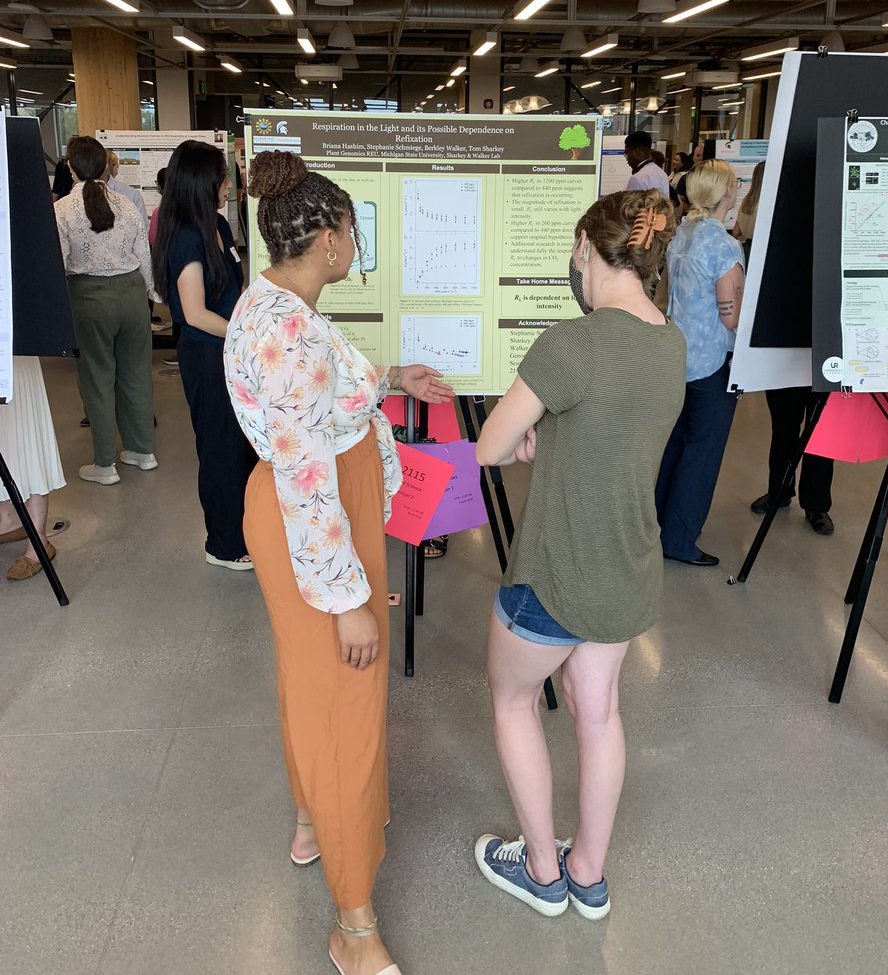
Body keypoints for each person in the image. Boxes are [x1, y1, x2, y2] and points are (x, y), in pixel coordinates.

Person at [224, 150, 452, 975]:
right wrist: (348, 597)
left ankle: (311, 819)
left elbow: (320, 395)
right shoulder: (286, 330)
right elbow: (305, 474)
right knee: (346, 702)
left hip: (319, 513)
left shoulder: (277, 303)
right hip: (316, 522)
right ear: (328, 240)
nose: (356, 245)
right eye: (353, 232)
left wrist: (390, 378)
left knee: (310, 681)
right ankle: (354, 926)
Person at [472, 190, 685, 921]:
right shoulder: (670, 342)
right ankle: (588, 874)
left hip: (556, 571)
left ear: (588, 250)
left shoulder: (572, 342)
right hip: (627, 565)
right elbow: (611, 434)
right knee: (599, 715)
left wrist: (526, 441)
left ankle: (541, 869)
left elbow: (490, 446)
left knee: (513, 701)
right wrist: (553, 439)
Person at [152, 140, 256, 571]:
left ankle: (249, 531)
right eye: (223, 178)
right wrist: (246, 333)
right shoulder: (185, 237)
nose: (229, 186)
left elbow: (235, 284)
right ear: (201, 182)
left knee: (244, 447)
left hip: (233, 351)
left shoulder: (217, 224)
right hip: (208, 356)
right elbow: (195, 314)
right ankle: (224, 545)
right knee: (219, 448)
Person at [655, 160, 744, 566]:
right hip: (711, 362)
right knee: (702, 452)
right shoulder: (723, 245)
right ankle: (679, 539)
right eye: (734, 184)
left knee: (677, 443)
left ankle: (661, 524)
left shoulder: (682, 233)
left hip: (678, 357)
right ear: (724, 193)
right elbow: (732, 316)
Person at [55, 136, 156, 486]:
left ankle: (105, 464)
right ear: (105, 167)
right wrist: (152, 294)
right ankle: (142, 451)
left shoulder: (62, 209)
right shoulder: (127, 204)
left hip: (88, 297)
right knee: (137, 373)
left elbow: (59, 262)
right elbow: (144, 255)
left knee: (97, 378)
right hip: (132, 295)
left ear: (70, 167)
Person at [0, 357, 66, 580]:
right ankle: (9, 520)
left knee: (27, 438)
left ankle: (38, 539)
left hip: (17, 356)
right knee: (3, 440)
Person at [750, 390, 835, 534]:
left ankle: (816, 504)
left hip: (825, 378)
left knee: (821, 435)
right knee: (783, 429)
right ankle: (779, 492)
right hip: (785, 378)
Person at [732, 160, 764, 266]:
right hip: (763, 250)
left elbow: (736, 231)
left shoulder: (747, 201)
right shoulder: (768, 203)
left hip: (747, 250)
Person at [105, 150, 148, 226]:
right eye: (116, 165)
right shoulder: (131, 193)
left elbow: (143, 227)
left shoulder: (133, 194)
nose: (118, 167)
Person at [624, 130, 670, 199]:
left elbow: (630, 205)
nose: (627, 158)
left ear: (637, 151)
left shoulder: (637, 178)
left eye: (627, 153)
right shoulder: (662, 174)